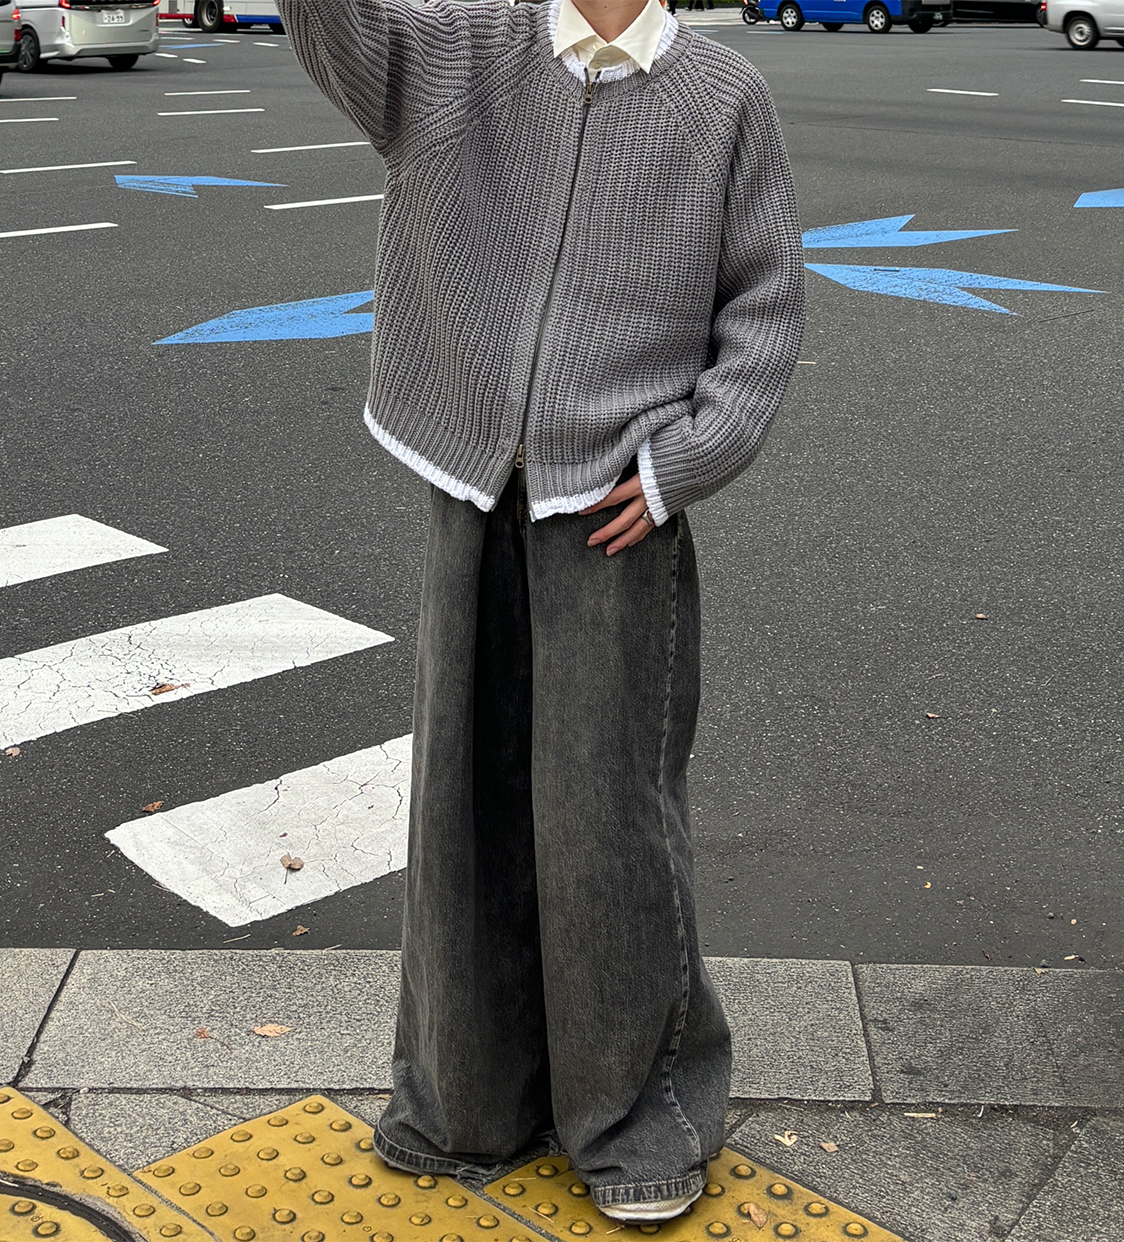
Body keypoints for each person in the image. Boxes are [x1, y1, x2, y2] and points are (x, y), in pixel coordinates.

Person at [277, 0, 804, 1223]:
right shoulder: (456, 49)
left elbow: (766, 304)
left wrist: (683, 462)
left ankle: (637, 1122)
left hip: (616, 501)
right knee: (461, 801)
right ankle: (465, 1103)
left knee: (608, 818)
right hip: (468, 478)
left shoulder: (723, 97)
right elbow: (333, 28)